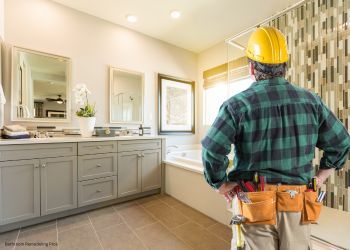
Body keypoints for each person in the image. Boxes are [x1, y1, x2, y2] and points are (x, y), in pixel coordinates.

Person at [201, 26, 350, 250]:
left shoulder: (236, 105)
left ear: (252, 67)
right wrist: (320, 177)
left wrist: (220, 184)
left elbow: (212, 149)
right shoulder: (311, 102)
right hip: (297, 202)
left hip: (253, 202)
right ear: (285, 67)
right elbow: (342, 143)